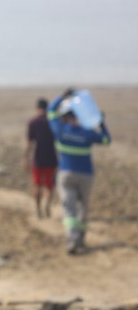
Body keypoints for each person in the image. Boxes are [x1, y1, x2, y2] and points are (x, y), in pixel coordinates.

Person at [47, 88, 111, 255]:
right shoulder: (88, 133)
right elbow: (106, 140)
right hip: (86, 175)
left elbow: (50, 112)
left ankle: (72, 241)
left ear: (66, 117)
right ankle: (81, 240)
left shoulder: (60, 131)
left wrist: (62, 96)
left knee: (69, 210)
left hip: (66, 174)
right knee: (83, 208)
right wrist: (101, 122)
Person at [24, 98, 58, 219]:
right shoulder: (53, 122)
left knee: (37, 185)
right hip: (51, 158)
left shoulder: (33, 122)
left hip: (37, 158)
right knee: (50, 186)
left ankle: (38, 209)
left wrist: (26, 158)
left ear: (37, 108)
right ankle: (47, 205)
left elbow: (29, 144)